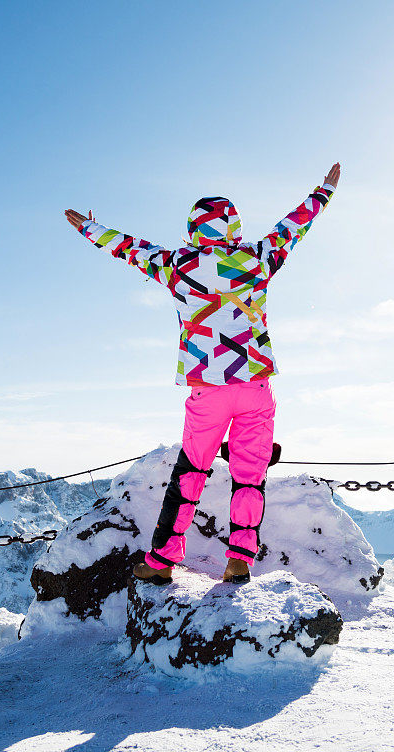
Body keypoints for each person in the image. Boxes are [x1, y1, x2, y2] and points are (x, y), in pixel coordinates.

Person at [65, 162, 340, 584]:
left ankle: (161, 562)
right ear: (233, 227)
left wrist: (89, 228)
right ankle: (239, 560)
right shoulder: (258, 258)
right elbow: (293, 227)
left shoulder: (178, 265)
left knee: (191, 473)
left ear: (193, 229)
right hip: (255, 385)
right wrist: (323, 192)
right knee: (249, 476)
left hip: (207, 389)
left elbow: (129, 248)